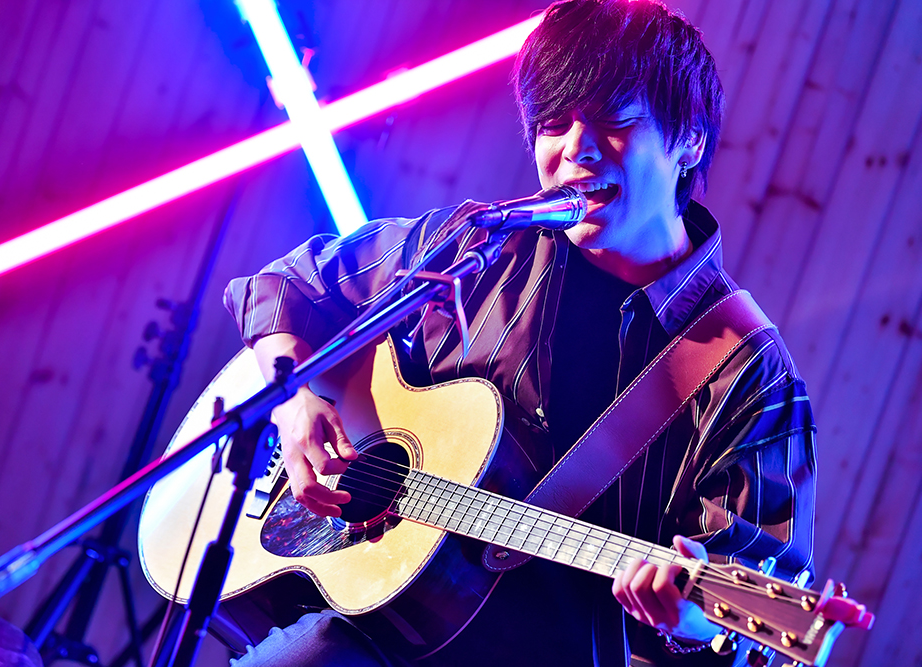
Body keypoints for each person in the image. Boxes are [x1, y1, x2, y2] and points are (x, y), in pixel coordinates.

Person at [219, 1, 816, 665]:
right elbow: (284, 287)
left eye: (614, 119)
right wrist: (294, 400)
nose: (576, 149)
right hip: (368, 633)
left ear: (690, 142)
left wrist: (694, 620)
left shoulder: (747, 370)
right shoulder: (478, 246)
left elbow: (760, 618)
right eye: (554, 123)